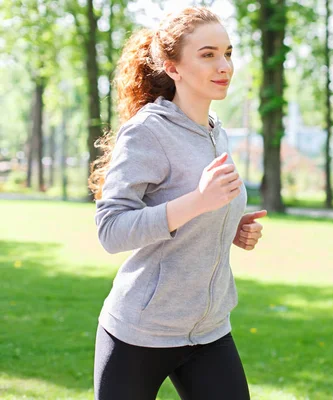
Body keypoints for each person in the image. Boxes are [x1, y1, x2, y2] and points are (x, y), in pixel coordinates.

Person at [87, 7, 266, 400]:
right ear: (173, 68)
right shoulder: (148, 132)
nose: (224, 65)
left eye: (228, 53)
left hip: (210, 330)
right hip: (140, 332)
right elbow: (111, 230)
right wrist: (200, 202)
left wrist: (230, 226)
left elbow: (196, 211)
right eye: (208, 54)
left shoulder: (217, 131)